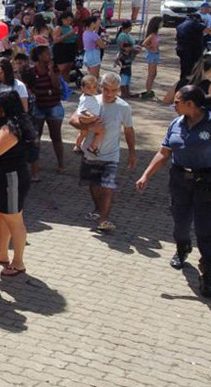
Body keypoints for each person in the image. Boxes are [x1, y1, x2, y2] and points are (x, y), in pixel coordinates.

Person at [136, 86, 211, 293]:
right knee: (180, 222)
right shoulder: (176, 124)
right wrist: (146, 175)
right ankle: (182, 248)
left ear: (190, 104)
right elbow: (163, 152)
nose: (173, 105)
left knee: (205, 229)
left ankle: (208, 273)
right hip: (180, 180)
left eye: (176, 102)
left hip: (206, 182)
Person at [69, 72, 136, 231]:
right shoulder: (91, 100)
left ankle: (104, 219)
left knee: (108, 186)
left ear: (118, 89)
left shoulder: (124, 107)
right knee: (93, 184)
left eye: (113, 90)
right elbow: (73, 120)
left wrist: (132, 153)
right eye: (106, 89)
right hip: (90, 153)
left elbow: (128, 130)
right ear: (101, 87)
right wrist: (87, 127)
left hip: (111, 154)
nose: (109, 93)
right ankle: (98, 209)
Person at [0, 90, 34, 277]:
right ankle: (2, 253)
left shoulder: (11, 129)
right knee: (2, 215)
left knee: (14, 220)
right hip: (2, 178)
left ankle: (18, 262)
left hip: (12, 178)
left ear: (5, 105)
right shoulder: (3, 124)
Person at [26, 45, 65, 178]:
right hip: (39, 107)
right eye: (46, 54)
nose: (49, 56)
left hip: (53, 106)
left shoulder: (54, 68)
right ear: (40, 56)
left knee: (56, 136)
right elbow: (32, 91)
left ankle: (61, 163)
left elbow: (57, 86)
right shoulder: (32, 71)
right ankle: (36, 165)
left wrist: (51, 72)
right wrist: (47, 92)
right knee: (37, 137)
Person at [74, 75, 105, 155]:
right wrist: (91, 116)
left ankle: (77, 146)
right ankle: (93, 147)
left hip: (88, 118)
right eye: (89, 88)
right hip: (86, 118)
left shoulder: (89, 97)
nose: (92, 90)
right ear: (82, 88)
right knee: (100, 130)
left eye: (94, 87)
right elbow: (83, 110)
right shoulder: (86, 99)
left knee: (83, 133)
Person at [176, 14, 211, 79]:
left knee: (184, 68)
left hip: (181, 49)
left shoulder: (180, 25)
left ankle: (182, 82)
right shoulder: (194, 23)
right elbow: (207, 30)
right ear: (197, 19)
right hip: (192, 50)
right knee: (192, 68)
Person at [141, 16, 163, 99]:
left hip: (156, 54)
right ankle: (148, 91)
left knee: (154, 74)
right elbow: (144, 44)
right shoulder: (152, 35)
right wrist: (151, 47)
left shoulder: (156, 34)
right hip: (152, 55)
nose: (162, 24)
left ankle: (150, 90)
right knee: (151, 74)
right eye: (161, 22)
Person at [52, 11, 78, 77]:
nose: (69, 22)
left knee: (68, 70)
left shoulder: (70, 27)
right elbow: (55, 40)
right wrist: (68, 34)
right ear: (62, 19)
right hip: (62, 49)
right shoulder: (58, 28)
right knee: (62, 69)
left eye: (70, 20)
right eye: (67, 20)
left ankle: (66, 85)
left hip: (71, 49)